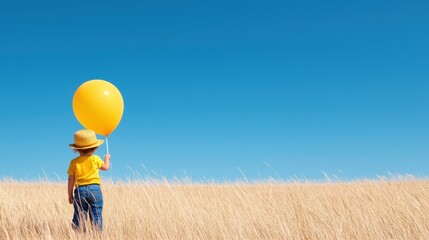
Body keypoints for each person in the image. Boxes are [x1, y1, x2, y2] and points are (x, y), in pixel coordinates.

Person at [67, 129, 111, 232]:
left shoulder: (74, 162)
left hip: (80, 190)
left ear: (76, 149)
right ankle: (97, 235)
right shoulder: (95, 159)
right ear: (95, 147)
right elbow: (106, 167)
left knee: (79, 214)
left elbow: (70, 179)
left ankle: (78, 233)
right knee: (96, 215)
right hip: (95, 190)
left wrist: (70, 194)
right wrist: (107, 158)